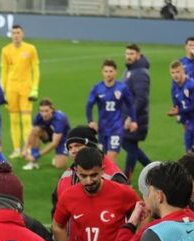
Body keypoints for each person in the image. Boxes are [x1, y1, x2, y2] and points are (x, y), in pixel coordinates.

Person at [52, 146, 139, 241]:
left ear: (102, 170)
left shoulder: (123, 193)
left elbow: (144, 215)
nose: (89, 181)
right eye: (83, 176)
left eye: (94, 175)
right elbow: (57, 226)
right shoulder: (68, 196)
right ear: (76, 172)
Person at [50, 126, 127, 221]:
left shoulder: (114, 176)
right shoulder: (65, 177)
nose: (73, 151)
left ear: (91, 147)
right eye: (70, 147)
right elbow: (56, 214)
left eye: (78, 145)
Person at [0, 25, 39, 159]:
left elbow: (35, 69)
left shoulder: (30, 49)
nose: (16, 35)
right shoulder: (5, 50)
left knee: (26, 120)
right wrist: (1, 90)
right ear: (11, 35)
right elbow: (4, 71)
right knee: (14, 120)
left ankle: (27, 149)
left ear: (22, 34)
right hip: (11, 88)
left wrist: (35, 88)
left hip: (26, 88)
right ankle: (16, 149)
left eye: (18, 33)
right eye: (14, 33)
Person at [87, 60, 133, 161]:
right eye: (106, 71)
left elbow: (130, 105)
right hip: (102, 129)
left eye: (111, 71)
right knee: (102, 158)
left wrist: (132, 119)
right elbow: (89, 106)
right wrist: (90, 121)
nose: (108, 74)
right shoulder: (97, 88)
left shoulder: (122, 88)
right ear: (102, 72)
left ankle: (112, 171)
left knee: (111, 157)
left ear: (115, 72)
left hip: (116, 128)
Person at [121, 44, 152, 178]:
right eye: (127, 53)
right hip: (127, 116)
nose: (129, 56)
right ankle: (153, 168)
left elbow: (141, 98)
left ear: (138, 55)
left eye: (132, 54)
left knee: (129, 144)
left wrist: (131, 117)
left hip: (136, 118)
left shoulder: (140, 73)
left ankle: (126, 177)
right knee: (128, 144)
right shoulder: (129, 70)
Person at [22, 98, 70, 170]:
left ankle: (36, 157)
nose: (44, 114)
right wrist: (25, 149)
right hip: (49, 134)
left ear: (52, 110)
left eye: (46, 111)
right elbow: (31, 133)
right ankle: (33, 162)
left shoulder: (59, 119)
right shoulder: (38, 117)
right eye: (41, 111)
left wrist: (37, 155)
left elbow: (55, 143)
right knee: (36, 130)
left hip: (63, 139)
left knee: (59, 166)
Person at [167, 61, 194, 153]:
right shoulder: (174, 87)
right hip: (188, 123)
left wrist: (179, 112)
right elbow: (176, 105)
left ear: (183, 71)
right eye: (173, 72)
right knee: (188, 152)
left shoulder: (192, 85)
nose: (175, 75)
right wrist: (182, 120)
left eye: (177, 72)